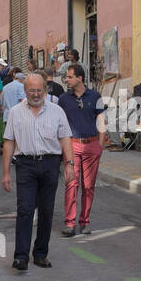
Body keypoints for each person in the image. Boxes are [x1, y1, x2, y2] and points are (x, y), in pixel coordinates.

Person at [1, 74, 77, 271]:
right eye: (31, 91)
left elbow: (66, 138)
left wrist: (69, 164)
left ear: (46, 90)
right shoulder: (16, 112)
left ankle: (41, 254)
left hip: (50, 164)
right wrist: (6, 172)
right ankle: (21, 257)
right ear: (25, 91)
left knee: (46, 211)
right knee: (25, 210)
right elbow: (9, 141)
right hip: (25, 164)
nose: (35, 94)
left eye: (39, 90)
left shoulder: (57, 111)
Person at [59, 62, 106, 236]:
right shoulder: (64, 99)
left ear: (80, 78)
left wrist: (100, 146)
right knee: (71, 183)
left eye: (70, 77)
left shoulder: (95, 96)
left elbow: (101, 121)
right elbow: (60, 124)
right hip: (72, 145)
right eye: (66, 77)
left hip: (92, 144)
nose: (66, 80)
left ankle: (85, 221)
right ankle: (70, 223)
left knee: (89, 186)